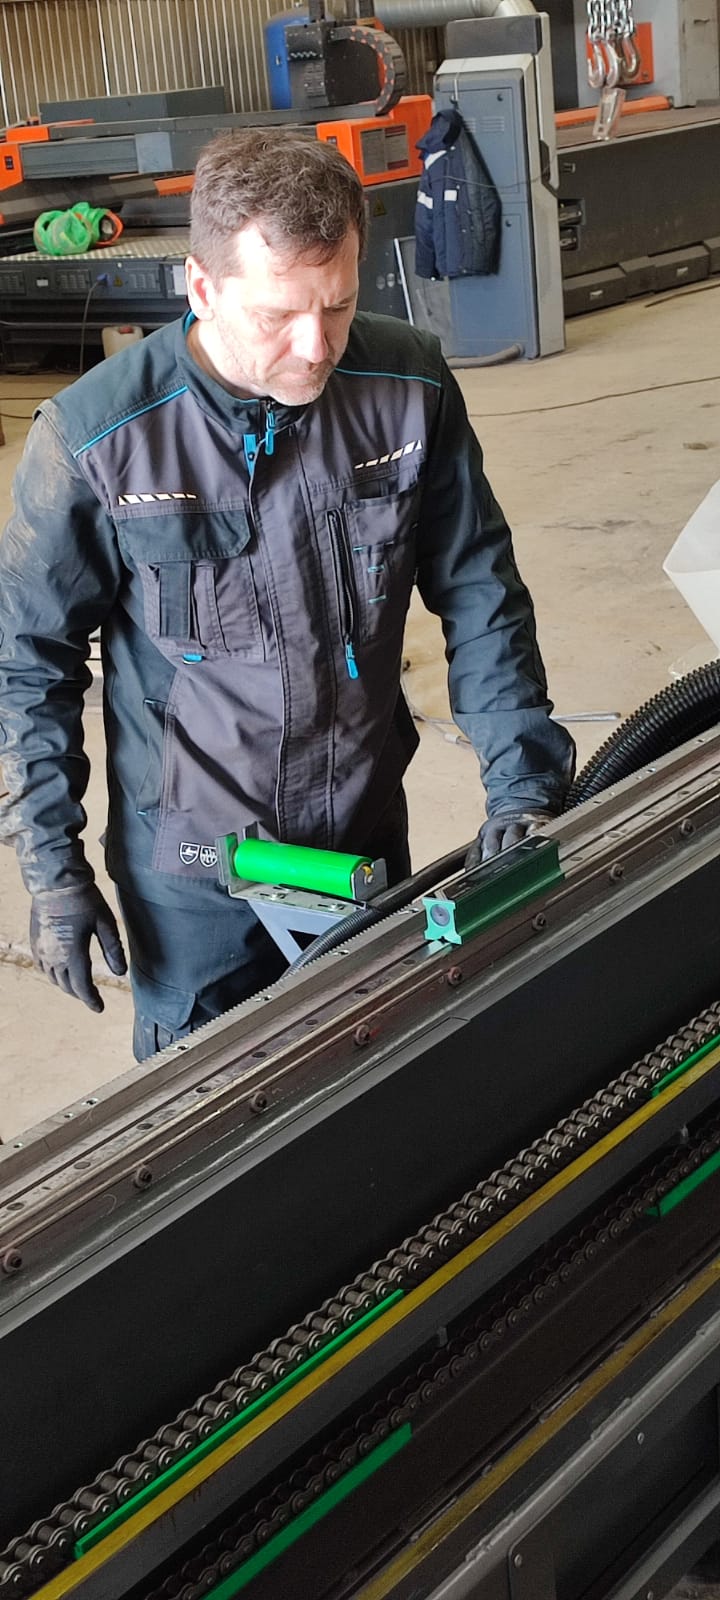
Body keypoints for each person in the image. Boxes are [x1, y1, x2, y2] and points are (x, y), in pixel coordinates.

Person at [0, 129, 575, 1060]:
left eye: (338, 305)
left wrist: (524, 782)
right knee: (211, 1104)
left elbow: (480, 588)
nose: (315, 348)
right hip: (195, 872)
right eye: (278, 314)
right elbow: (28, 664)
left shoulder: (407, 386)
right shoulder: (98, 440)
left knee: (376, 1064)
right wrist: (51, 864)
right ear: (201, 287)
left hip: (361, 833)